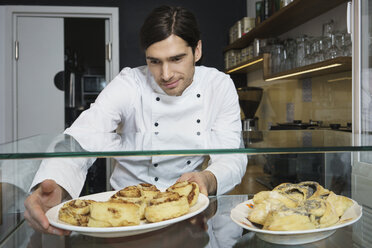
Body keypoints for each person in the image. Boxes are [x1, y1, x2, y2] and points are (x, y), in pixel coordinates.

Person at [24, 5, 247, 236]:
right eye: (155, 61)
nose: (166, 74)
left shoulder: (219, 86)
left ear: (197, 50)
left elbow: (232, 157)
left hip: (188, 210)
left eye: (176, 59)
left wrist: (207, 179)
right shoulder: (129, 84)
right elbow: (83, 135)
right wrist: (53, 183)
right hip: (125, 214)